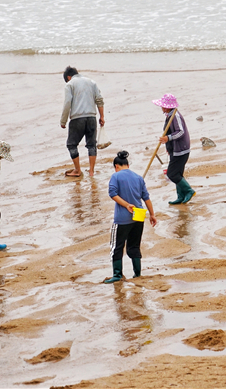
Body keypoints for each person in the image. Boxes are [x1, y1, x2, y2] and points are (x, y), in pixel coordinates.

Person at [105, 150, 158, 283]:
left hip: (122, 219)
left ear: (116, 166)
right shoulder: (138, 177)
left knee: (116, 246)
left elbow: (112, 194)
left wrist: (127, 205)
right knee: (134, 246)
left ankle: (117, 274)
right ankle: (137, 273)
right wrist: (152, 214)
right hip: (138, 217)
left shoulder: (115, 177)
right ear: (127, 165)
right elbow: (146, 198)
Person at [60, 66, 105, 177]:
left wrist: (63, 120)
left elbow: (67, 103)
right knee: (91, 145)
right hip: (91, 117)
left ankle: (77, 170)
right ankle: (91, 171)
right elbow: (99, 99)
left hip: (77, 118)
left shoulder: (70, 84)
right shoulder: (92, 82)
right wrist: (102, 116)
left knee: (71, 145)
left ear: (69, 77)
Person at [153, 93, 196, 205]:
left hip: (181, 150)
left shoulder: (175, 116)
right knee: (178, 173)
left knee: (172, 174)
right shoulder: (169, 115)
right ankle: (181, 197)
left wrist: (168, 138)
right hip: (175, 150)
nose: (161, 107)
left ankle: (188, 190)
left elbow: (181, 132)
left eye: (162, 105)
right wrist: (168, 146)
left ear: (167, 106)